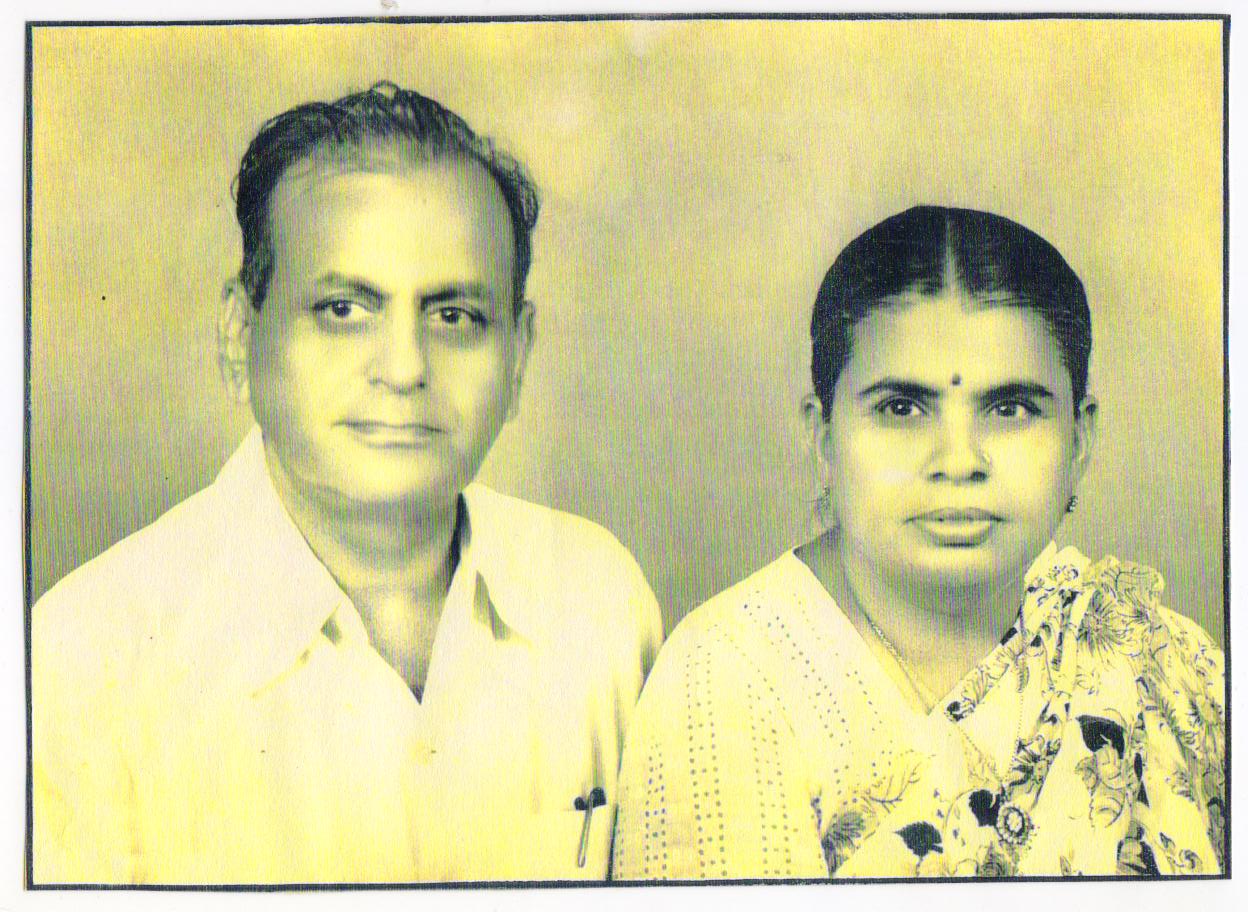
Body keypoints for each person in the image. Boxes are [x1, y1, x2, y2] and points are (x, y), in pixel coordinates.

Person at [32, 82, 662, 885]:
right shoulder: (84, 662)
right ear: (239, 334)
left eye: (455, 316)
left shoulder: (601, 603)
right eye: (342, 309)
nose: (403, 368)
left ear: (519, 354)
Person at [612, 205, 1224, 879]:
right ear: (822, 436)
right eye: (901, 408)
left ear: (1080, 440)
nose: (958, 461)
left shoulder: (1158, 660)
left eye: (1010, 408)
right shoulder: (729, 678)